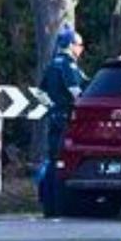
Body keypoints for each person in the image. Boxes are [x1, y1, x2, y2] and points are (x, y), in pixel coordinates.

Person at [39, 27, 89, 161]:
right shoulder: (68, 65)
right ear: (71, 45)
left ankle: (50, 179)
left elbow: (41, 92)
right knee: (68, 155)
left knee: (54, 153)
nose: (81, 49)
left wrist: (52, 107)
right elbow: (75, 91)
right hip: (68, 117)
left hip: (55, 116)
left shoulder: (52, 64)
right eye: (80, 45)